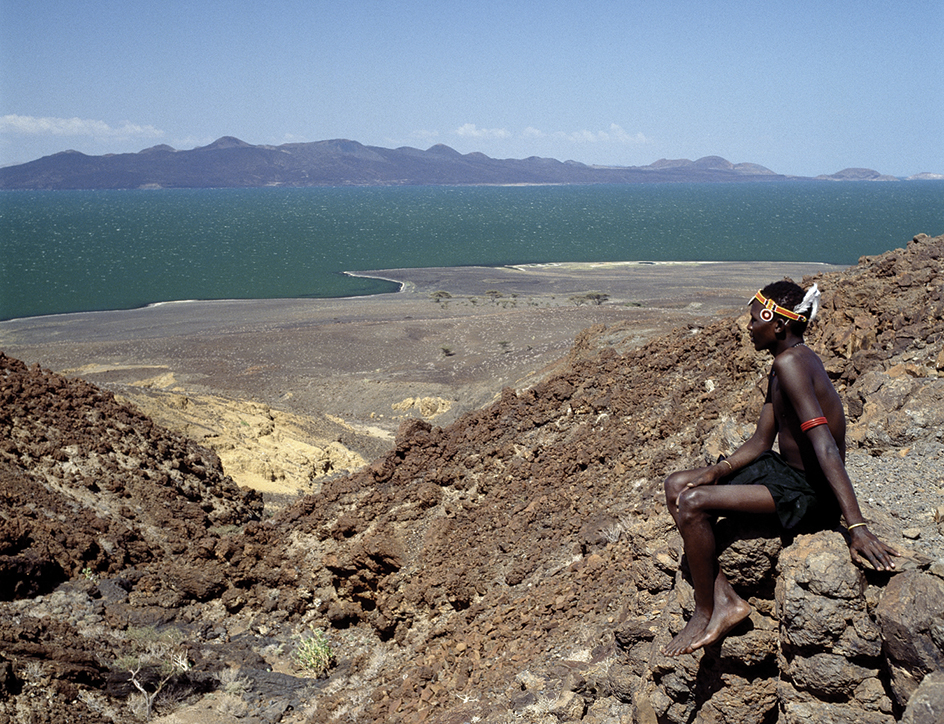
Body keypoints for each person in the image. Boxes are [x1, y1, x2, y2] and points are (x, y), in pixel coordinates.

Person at [661, 280, 899, 657]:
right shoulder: (784, 362)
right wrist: (718, 470)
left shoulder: (791, 364)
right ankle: (724, 598)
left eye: (755, 319)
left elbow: (824, 445)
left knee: (691, 504)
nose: (749, 326)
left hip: (809, 495)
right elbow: (760, 441)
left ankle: (706, 610)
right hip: (787, 475)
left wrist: (856, 526)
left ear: (778, 325)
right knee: (677, 484)